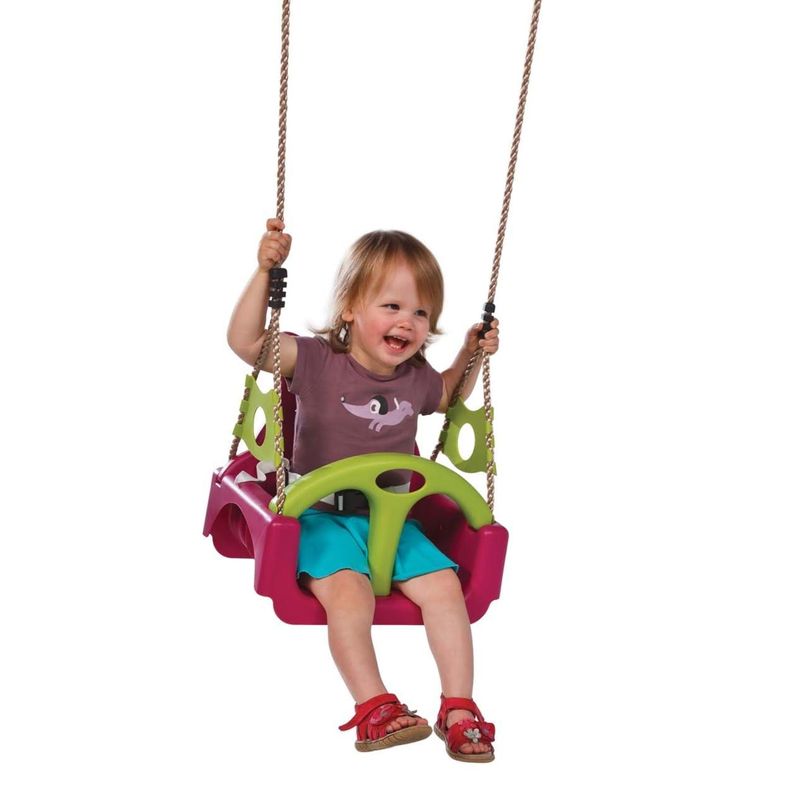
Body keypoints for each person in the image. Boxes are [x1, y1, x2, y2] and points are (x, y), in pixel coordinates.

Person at [227, 218, 500, 763]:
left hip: (395, 520)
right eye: (392, 306)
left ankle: (459, 708)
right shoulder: (315, 361)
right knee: (349, 595)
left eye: (421, 312)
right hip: (319, 516)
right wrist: (263, 272)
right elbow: (246, 343)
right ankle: (374, 707)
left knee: (446, 588)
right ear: (350, 308)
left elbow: (446, 396)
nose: (407, 322)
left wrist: (470, 355)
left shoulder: (416, 378)